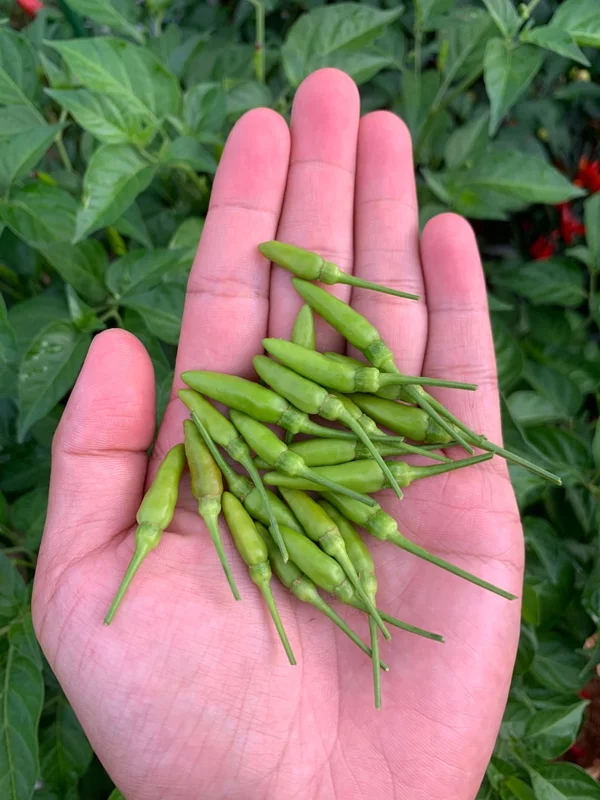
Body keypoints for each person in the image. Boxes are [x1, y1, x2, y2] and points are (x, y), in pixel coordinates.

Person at [32, 69, 523, 800]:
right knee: (308, 464)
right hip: (291, 461)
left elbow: (287, 458)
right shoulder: (266, 443)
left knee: (314, 462)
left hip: (299, 460)